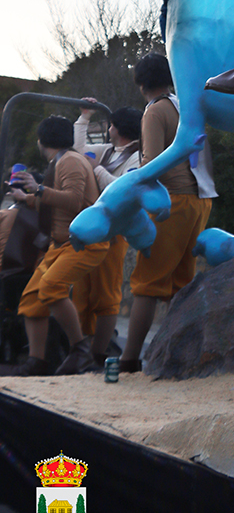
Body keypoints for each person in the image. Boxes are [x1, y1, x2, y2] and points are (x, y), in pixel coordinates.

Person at [120, 53, 216, 372]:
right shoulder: (184, 105)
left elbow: (151, 164)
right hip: (200, 199)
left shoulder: (155, 110)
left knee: (147, 283)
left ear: (141, 83)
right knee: (179, 285)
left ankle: (129, 360)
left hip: (172, 202)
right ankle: (181, 357)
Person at [7, 116, 109, 375]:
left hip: (82, 243)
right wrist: (26, 197)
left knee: (51, 288)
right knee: (32, 300)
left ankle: (80, 350)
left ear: (42, 141)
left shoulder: (71, 161)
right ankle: (36, 362)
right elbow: (54, 203)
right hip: (60, 244)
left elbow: (73, 201)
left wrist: (39, 189)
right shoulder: (60, 161)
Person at [70, 103, 142, 366]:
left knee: (107, 295)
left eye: (111, 125)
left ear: (118, 129)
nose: (109, 129)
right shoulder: (109, 151)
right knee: (82, 291)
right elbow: (78, 151)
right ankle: (80, 350)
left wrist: (98, 170)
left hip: (114, 233)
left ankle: (97, 353)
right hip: (92, 230)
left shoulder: (137, 157)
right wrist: (84, 118)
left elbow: (126, 191)